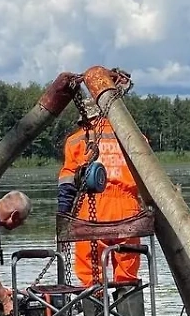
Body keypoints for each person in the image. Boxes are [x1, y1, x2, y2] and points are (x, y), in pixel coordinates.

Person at [56, 97, 143, 287]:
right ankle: (130, 312)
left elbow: (67, 182)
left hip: (91, 211)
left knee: (91, 275)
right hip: (128, 211)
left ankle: (95, 313)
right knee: (127, 274)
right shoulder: (133, 136)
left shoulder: (75, 141)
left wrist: (64, 213)